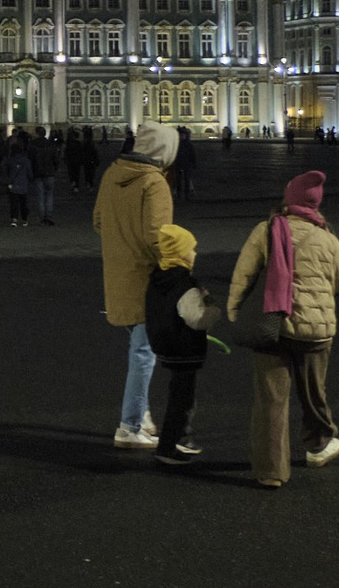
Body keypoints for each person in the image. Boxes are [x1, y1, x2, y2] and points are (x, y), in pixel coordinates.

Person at [227, 170, 339, 489]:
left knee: (271, 398)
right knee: (314, 392)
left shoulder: (267, 229)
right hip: (316, 329)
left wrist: (234, 310)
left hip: (273, 323)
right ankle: (319, 445)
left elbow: (244, 273)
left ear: (289, 199)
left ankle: (272, 470)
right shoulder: (327, 236)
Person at [96, 123, 176, 449]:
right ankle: (129, 426)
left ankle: (141, 414)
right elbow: (159, 235)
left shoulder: (112, 174)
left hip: (118, 270)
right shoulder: (154, 183)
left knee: (138, 346)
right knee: (144, 353)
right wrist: (180, 264)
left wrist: (121, 243)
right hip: (147, 277)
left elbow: (98, 220)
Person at [144, 224, 210, 464]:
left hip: (166, 344)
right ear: (181, 253)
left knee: (179, 393)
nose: (195, 253)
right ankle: (168, 447)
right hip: (185, 348)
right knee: (181, 399)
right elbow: (197, 318)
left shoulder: (159, 278)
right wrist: (212, 308)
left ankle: (179, 438)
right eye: (192, 249)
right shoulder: (185, 284)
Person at [4, 131, 34, 227]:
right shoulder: (26, 160)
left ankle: (14, 219)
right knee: (23, 203)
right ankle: (24, 219)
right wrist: (31, 179)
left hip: (13, 184)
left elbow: (7, 171)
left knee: (13, 203)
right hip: (23, 184)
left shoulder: (10, 160)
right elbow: (29, 172)